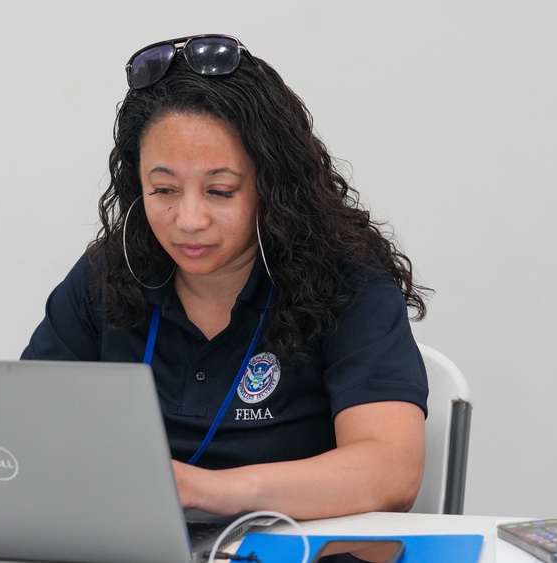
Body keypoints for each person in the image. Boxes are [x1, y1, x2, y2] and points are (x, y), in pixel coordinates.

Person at [21, 34, 430, 521]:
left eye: (219, 190)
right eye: (164, 189)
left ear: (271, 187)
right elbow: (23, 437)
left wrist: (204, 490)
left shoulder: (346, 282)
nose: (189, 219)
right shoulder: (110, 272)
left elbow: (392, 471)